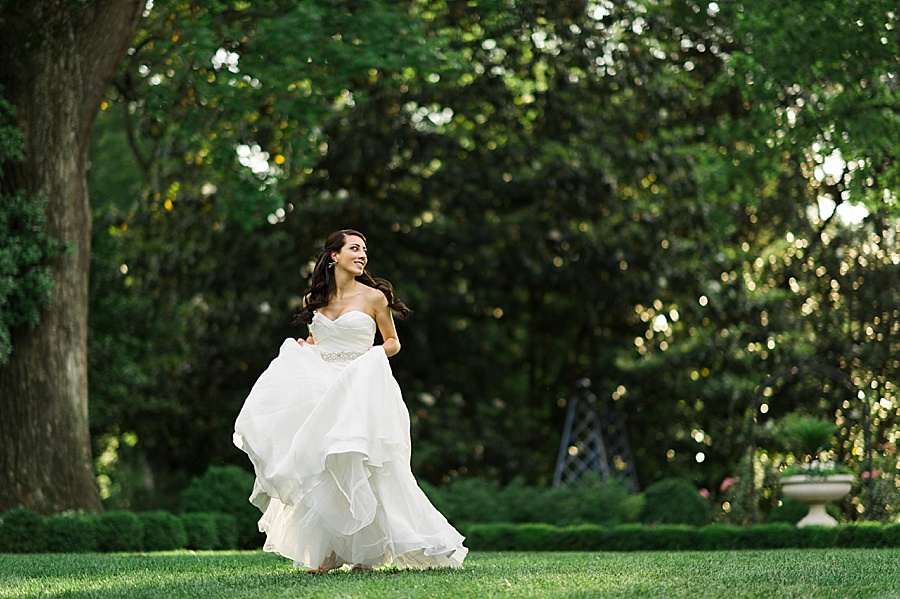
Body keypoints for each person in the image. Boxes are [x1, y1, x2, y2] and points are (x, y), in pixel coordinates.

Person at [233, 229, 467, 573]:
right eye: (354, 249)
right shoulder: (313, 297)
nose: (362, 255)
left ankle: (367, 553)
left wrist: (369, 360)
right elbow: (317, 338)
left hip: (360, 386)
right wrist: (305, 347)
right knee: (325, 466)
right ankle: (333, 552)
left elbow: (392, 343)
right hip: (322, 386)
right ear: (334, 256)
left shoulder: (374, 297)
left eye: (365, 250)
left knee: (364, 465)